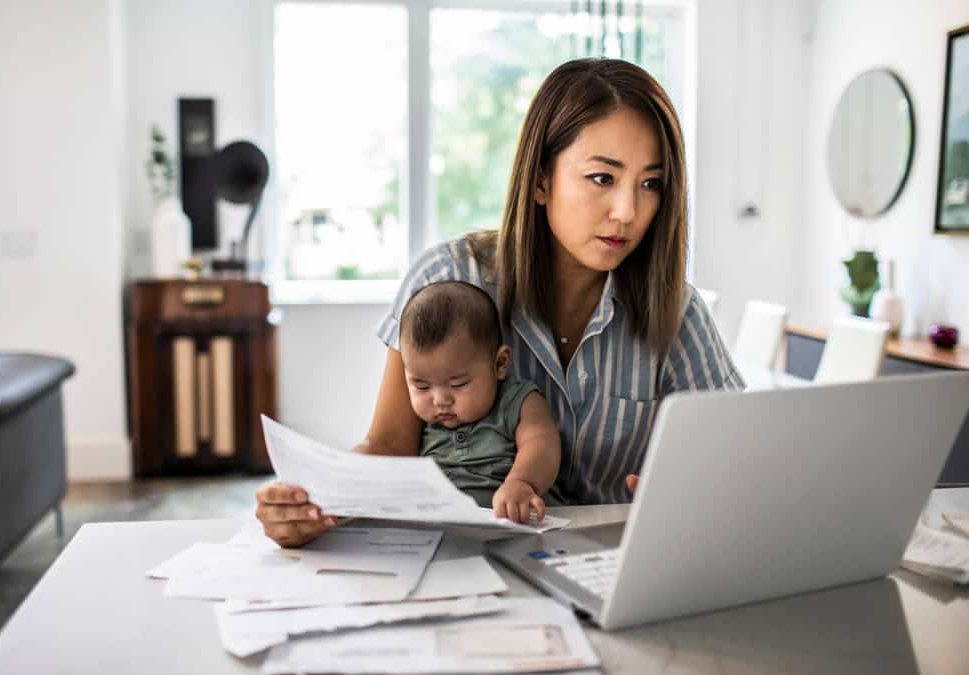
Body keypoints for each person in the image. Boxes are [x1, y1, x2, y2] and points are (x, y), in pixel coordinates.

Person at [256, 57, 743, 548]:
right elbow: (389, 444)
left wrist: (693, 493)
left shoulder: (675, 309)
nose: (628, 211)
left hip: (609, 562)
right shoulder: (448, 278)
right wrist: (318, 501)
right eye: (602, 178)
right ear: (540, 180)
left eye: (650, 184)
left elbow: (736, 460)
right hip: (463, 555)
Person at [398, 280, 561, 522]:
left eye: (458, 384)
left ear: (500, 363)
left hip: (512, 520)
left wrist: (522, 481)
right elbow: (386, 449)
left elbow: (542, 444)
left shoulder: (519, 401)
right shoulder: (422, 419)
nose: (440, 400)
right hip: (443, 526)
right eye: (421, 385)